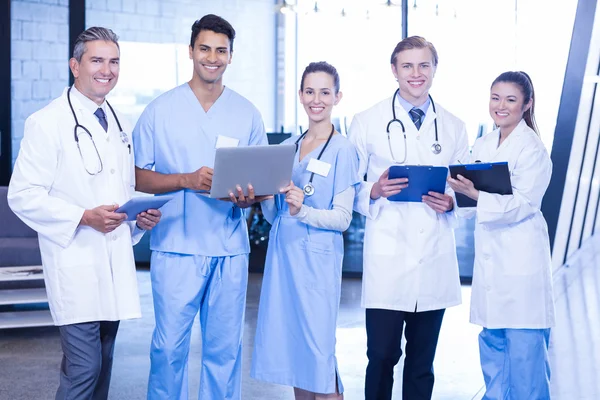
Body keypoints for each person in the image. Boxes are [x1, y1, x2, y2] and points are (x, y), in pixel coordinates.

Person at [7, 27, 161, 400]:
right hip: (74, 261)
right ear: (75, 66)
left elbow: (117, 190)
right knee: (84, 366)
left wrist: (137, 218)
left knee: (105, 361)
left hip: (113, 261)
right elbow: (22, 195)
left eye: (113, 61)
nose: (107, 70)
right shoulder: (47, 122)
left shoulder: (120, 121)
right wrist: (82, 216)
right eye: (97, 60)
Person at [132, 14, 269, 400]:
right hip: (176, 245)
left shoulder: (247, 113)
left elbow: (262, 184)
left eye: (221, 50)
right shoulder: (160, 110)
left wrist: (249, 197)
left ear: (230, 56)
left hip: (229, 248)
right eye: (205, 49)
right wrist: (186, 180)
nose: (213, 57)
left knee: (225, 352)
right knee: (169, 350)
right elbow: (138, 176)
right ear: (190, 51)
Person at [347, 36, 469, 400]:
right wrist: (373, 190)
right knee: (381, 356)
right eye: (407, 66)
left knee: (421, 365)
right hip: (388, 257)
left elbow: (465, 190)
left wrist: (451, 204)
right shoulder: (367, 121)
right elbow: (347, 186)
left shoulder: (453, 126)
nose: (416, 74)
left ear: (434, 70)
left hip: (432, 258)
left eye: (424, 65)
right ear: (394, 70)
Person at [251, 62, 359, 400]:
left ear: (337, 97)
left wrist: (304, 210)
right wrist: (267, 198)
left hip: (318, 266)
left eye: (325, 92)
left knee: (319, 355)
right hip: (284, 261)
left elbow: (342, 218)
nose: (317, 100)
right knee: (296, 355)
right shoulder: (288, 147)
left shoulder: (344, 150)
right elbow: (275, 217)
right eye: (310, 91)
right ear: (300, 95)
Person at [448, 71, 555, 399]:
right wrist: (452, 197)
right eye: (496, 98)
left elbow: (524, 203)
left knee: (525, 357)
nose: (501, 106)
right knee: (492, 345)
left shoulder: (532, 149)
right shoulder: (482, 144)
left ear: (527, 104)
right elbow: (467, 198)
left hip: (521, 264)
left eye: (510, 99)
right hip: (492, 266)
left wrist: (478, 196)